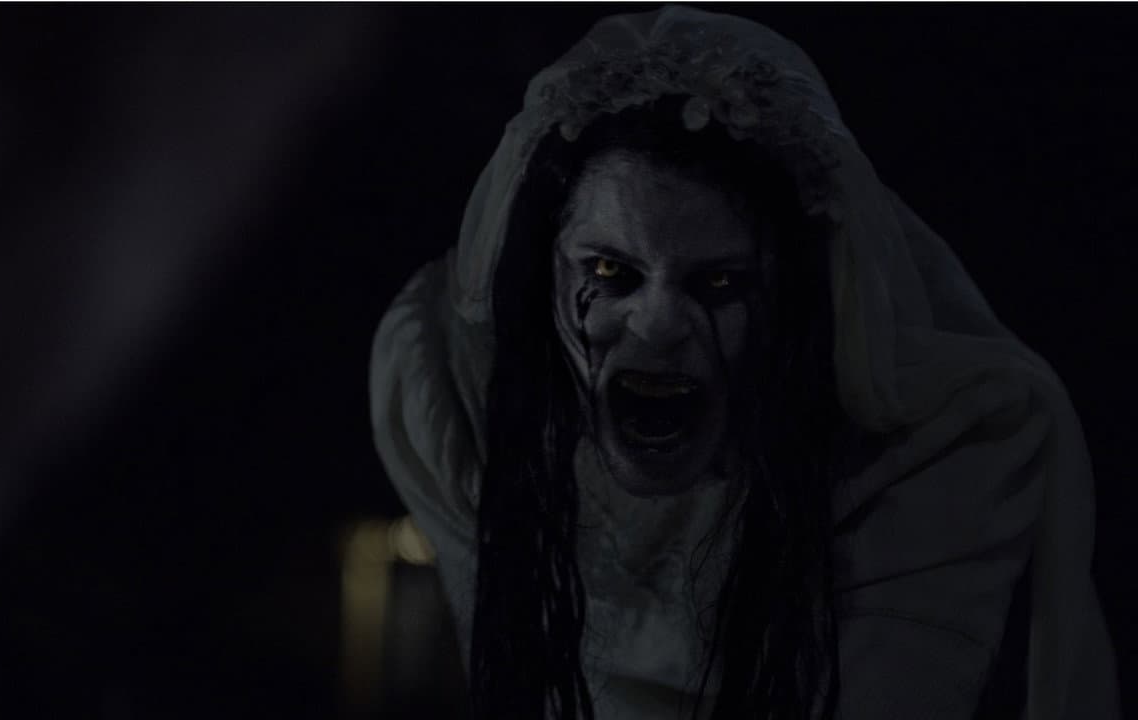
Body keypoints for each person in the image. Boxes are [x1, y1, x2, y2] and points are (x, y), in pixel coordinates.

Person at [368, 6, 1120, 719]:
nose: (658, 326)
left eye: (720, 283)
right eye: (608, 272)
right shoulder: (448, 389)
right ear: (545, 267)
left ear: (796, 298)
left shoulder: (945, 450)